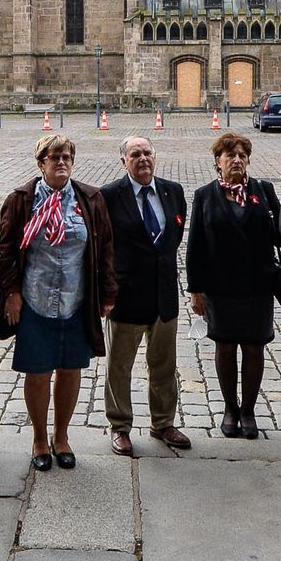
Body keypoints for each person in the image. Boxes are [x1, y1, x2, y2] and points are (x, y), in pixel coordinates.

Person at [0, 134, 116, 472]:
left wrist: (107, 293)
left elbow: (104, 249)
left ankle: (62, 436)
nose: (61, 162)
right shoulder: (21, 200)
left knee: (71, 369)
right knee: (38, 371)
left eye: (67, 157)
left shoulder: (90, 199)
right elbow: (6, 252)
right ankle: (40, 438)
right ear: (41, 163)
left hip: (77, 299)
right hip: (35, 298)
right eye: (54, 157)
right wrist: (12, 293)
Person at [186, 132, 281, 439]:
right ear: (218, 162)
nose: (237, 160)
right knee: (225, 346)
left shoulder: (263, 191)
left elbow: (280, 236)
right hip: (220, 286)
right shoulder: (205, 195)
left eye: (242, 155)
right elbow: (195, 246)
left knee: (254, 347)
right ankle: (230, 408)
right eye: (230, 156)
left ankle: (249, 410)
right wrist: (196, 290)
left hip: (258, 284)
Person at [99, 135, 190, 456]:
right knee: (119, 367)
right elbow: (101, 247)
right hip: (125, 297)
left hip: (165, 296)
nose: (143, 159)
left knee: (164, 365)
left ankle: (163, 422)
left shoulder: (173, 192)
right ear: (123, 160)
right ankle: (120, 426)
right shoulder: (109, 196)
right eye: (135, 154)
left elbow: (173, 239)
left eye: (147, 153)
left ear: (155, 155)